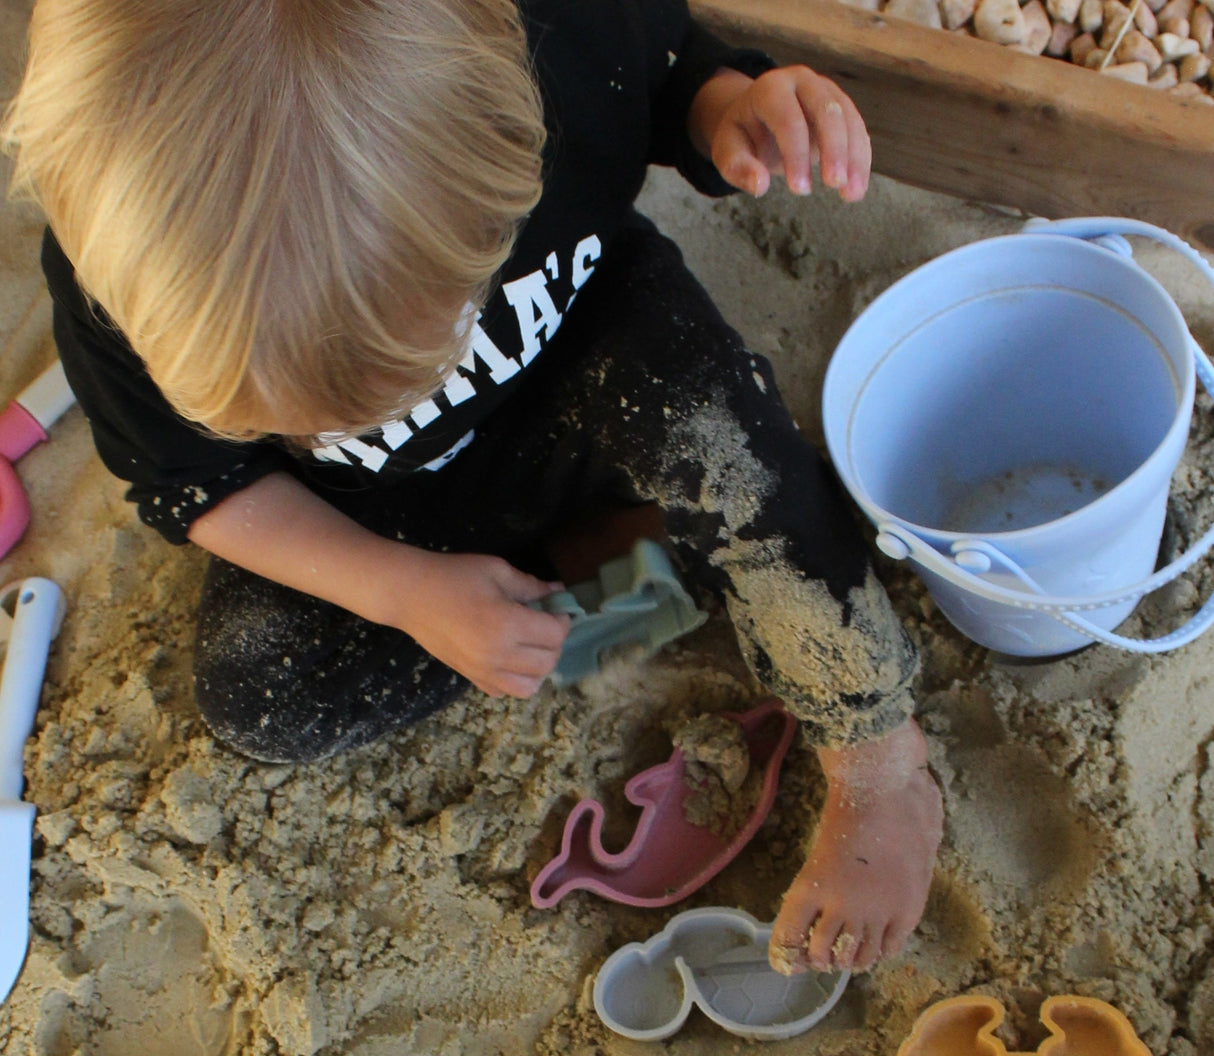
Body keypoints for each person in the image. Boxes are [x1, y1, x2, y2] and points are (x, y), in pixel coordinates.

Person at [3, 0, 942, 973]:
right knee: (257, 698)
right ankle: (609, 570)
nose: (360, 418)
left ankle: (879, 764)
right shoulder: (119, 281)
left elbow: (663, 71)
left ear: (514, 138)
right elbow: (200, 487)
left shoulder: (558, 41)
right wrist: (403, 590)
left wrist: (726, 108)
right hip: (376, 516)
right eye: (292, 408)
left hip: (583, 361)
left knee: (729, 442)